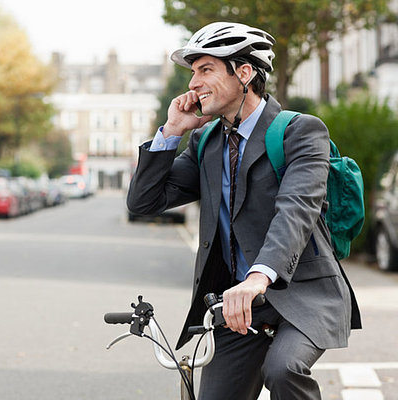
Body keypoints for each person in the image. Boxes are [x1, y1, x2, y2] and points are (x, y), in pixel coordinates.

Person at [126, 22, 361, 400]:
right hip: (238, 310)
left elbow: (295, 212)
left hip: (300, 296)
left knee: (283, 370)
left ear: (245, 73)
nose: (193, 84)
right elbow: (144, 202)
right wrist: (172, 131)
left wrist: (258, 278)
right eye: (193, 73)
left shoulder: (299, 132)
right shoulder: (206, 141)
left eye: (206, 70)